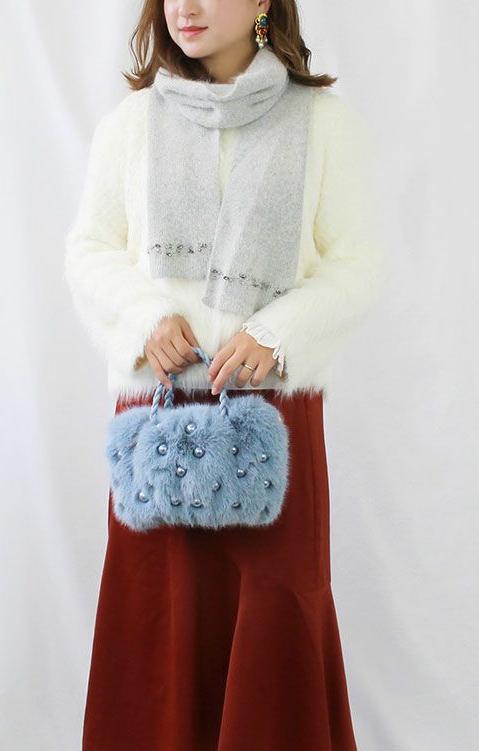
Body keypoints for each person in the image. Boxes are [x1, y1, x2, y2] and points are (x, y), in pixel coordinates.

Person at [64, 1, 383, 749]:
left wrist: (277, 333)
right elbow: (90, 252)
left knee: (275, 623)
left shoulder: (324, 125)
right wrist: (146, 316)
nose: (186, 7)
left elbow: (358, 265)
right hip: (160, 422)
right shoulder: (131, 126)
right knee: (160, 627)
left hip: (271, 421)